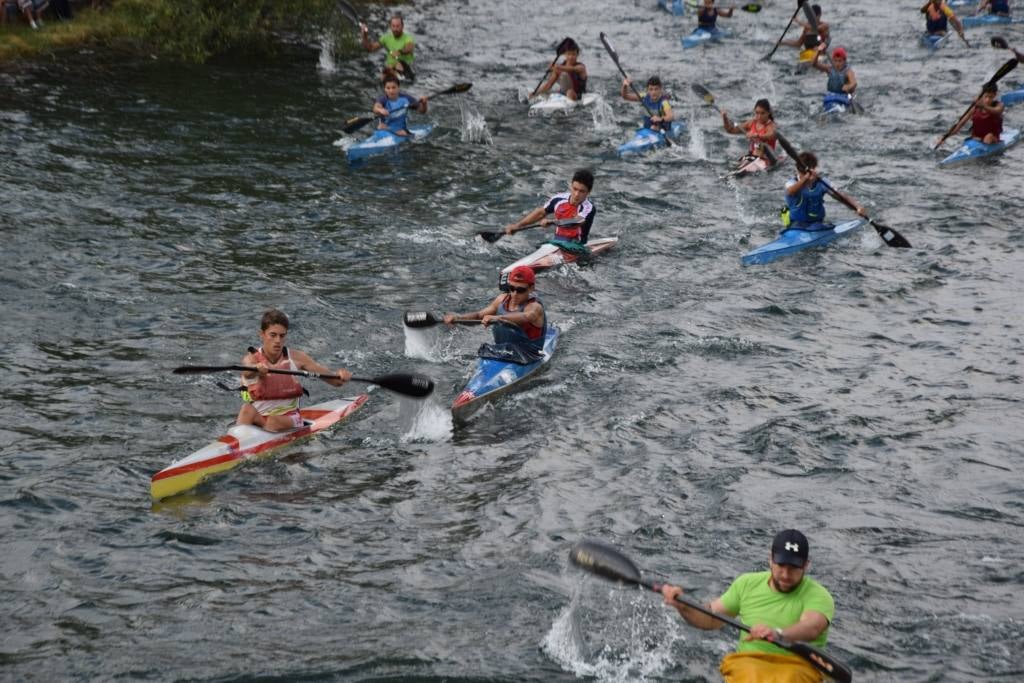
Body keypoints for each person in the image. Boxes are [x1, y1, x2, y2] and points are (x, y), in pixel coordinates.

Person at [660, 530, 835, 683]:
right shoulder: (747, 584)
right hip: (749, 663)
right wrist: (682, 606)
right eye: (781, 565)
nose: (785, 574)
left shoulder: (819, 595)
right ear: (770, 559)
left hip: (798, 666)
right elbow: (711, 618)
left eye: (794, 568)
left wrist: (778, 634)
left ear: (806, 565)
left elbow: (811, 627)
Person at [236, 309, 352, 433]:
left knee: (273, 421)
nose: (278, 341)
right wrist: (256, 369)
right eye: (273, 335)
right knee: (246, 409)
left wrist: (341, 377)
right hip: (260, 417)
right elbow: (247, 373)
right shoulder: (251, 359)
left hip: (289, 418)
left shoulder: (297, 358)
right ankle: (236, 445)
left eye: (282, 336)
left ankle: (260, 439)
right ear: (262, 334)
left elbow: (335, 382)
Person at [443, 266, 547, 354]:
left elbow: (526, 316)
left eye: (520, 290)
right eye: (512, 288)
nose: (514, 294)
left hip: (529, 354)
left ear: (531, 288)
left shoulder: (534, 307)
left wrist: (498, 318)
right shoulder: (502, 299)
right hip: (503, 352)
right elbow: (479, 315)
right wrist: (458, 318)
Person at [504, 169, 596, 249]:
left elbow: (577, 222)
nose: (576, 194)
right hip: (557, 243)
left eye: (582, 191)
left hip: (577, 246)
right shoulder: (559, 199)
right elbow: (540, 213)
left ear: (588, 192)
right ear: (571, 186)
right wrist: (518, 225)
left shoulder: (588, 208)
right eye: (575, 189)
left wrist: (552, 221)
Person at [783, 152, 867, 229]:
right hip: (796, 224)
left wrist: (857, 207)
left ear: (814, 168)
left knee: (817, 227)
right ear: (797, 169)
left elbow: (840, 196)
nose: (804, 174)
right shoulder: (791, 183)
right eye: (802, 172)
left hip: (817, 224)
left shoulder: (822, 183)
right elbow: (791, 191)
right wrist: (805, 179)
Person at [360, 13, 416, 82]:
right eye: (393, 26)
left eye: (398, 26)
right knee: (385, 72)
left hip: (405, 67)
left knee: (398, 64)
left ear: (402, 26)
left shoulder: (408, 38)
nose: (395, 29)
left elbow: (409, 48)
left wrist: (400, 52)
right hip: (390, 68)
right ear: (390, 27)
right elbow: (370, 48)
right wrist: (365, 36)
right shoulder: (385, 38)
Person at [721, 99, 778, 165]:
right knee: (738, 162)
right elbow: (730, 130)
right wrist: (725, 118)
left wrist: (756, 135)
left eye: (762, 113)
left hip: (767, 157)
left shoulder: (771, 125)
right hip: (752, 156)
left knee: (761, 146)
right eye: (757, 113)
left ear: (768, 113)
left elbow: (771, 135)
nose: (759, 116)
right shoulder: (751, 123)